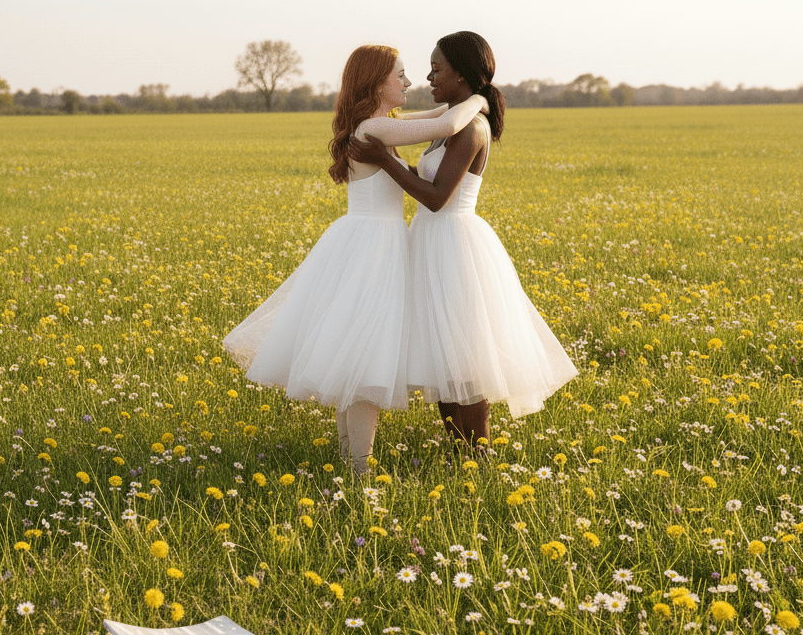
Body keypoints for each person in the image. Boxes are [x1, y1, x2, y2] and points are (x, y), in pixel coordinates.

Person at [223, 44, 488, 474]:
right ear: (375, 83)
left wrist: (469, 102)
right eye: (399, 75)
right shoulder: (375, 130)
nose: (408, 82)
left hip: (361, 239)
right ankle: (359, 468)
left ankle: (351, 458)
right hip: (375, 246)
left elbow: (432, 122)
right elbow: (446, 122)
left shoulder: (375, 125)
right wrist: (479, 97)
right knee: (367, 355)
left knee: (357, 348)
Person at [349, 31, 578, 446]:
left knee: (465, 360)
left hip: (455, 242)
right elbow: (426, 158)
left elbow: (436, 198)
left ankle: (477, 455)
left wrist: (384, 159)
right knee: (444, 355)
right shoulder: (447, 124)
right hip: (431, 241)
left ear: (461, 73)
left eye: (437, 70)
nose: (429, 77)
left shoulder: (471, 128)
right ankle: (460, 451)